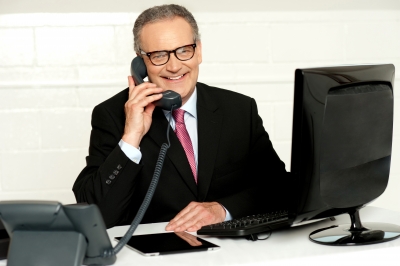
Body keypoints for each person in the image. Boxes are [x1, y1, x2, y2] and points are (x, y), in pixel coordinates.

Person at [73, 4, 287, 232]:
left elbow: (280, 188)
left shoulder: (239, 109)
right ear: (141, 64)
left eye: (184, 50)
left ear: (199, 51)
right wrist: (131, 137)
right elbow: (97, 214)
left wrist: (222, 210)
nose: (174, 66)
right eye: (159, 55)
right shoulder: (112, 114)